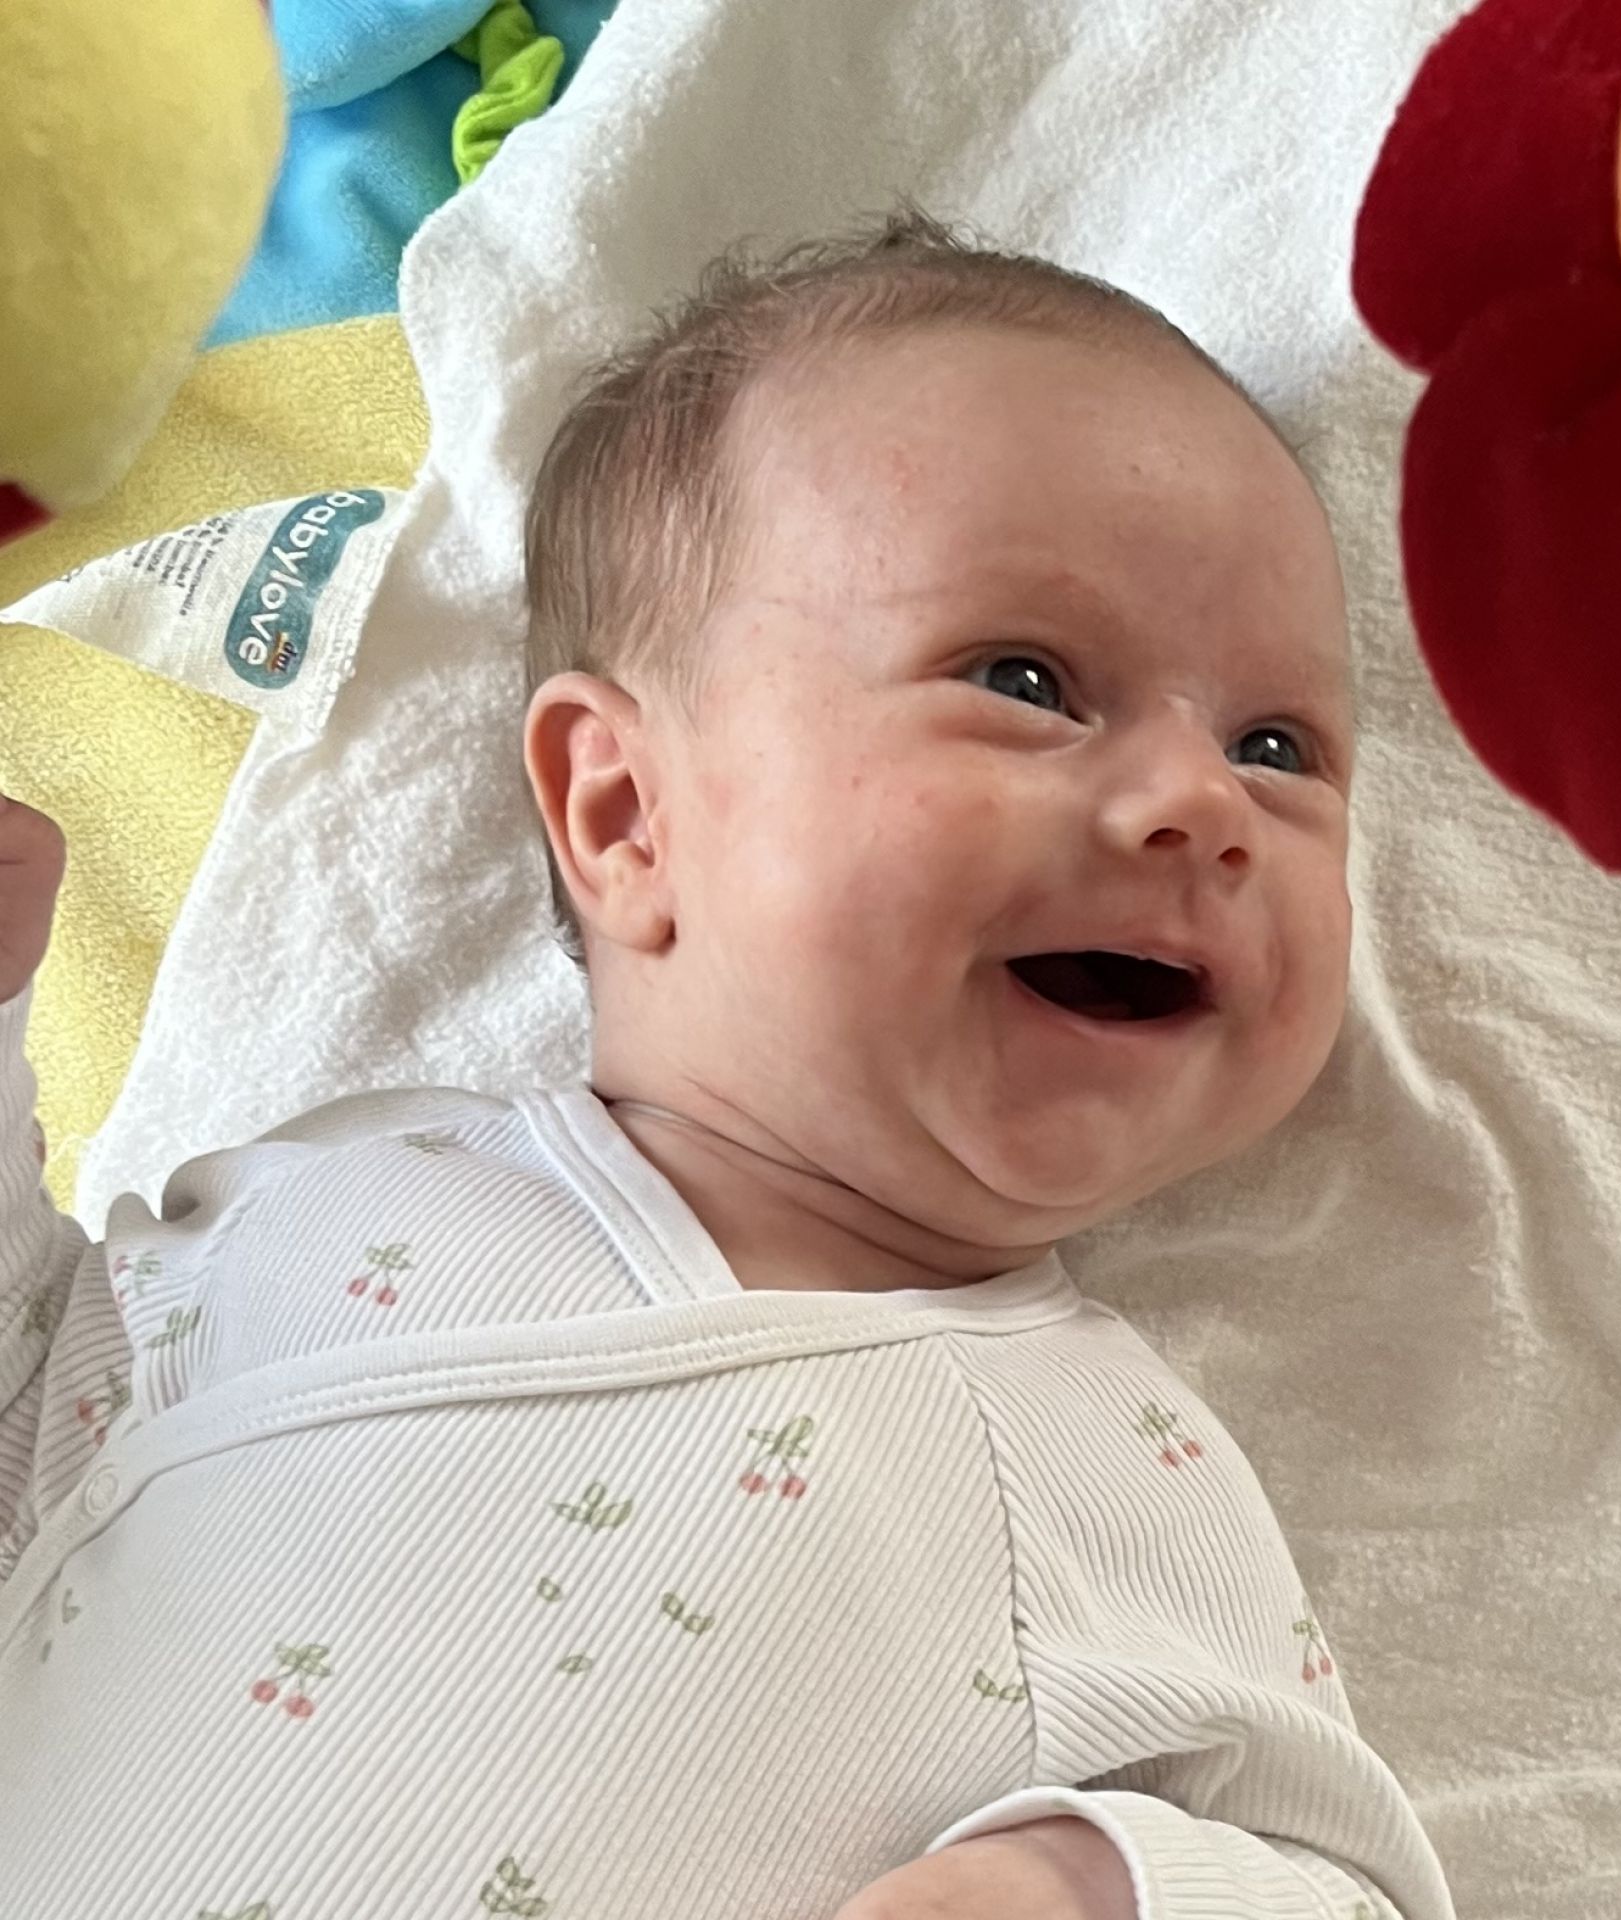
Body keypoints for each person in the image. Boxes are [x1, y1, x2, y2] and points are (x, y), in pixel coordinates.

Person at [0, 203, 1455, 1920]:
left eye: (1276, 745)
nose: (1199, 802)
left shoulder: (1115, 1470)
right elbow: (32, 1421)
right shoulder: (325, 1206)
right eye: (1028, 680)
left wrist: (1099, 1888)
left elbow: (1342, 1879)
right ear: (625, 812)